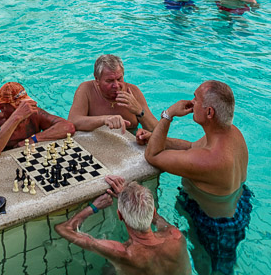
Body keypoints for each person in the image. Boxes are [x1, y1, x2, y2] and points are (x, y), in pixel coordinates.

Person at [142, 81, 252, 275]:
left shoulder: (210, 160)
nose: (191, 101)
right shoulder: (232, 133)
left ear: (209, 113)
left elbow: (153, 156)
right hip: (237, 205)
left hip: (215, 227)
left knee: (209, 270)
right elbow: (192, 148)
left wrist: (169, 114)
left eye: (196, 98)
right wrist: (157, 137)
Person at [55, 177, 191, 275]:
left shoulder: (123, 253)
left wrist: (93, 207)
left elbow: (63, 229)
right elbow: (155, 218)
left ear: (120, 215)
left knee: (108, 269)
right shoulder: (175, 236)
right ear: (153, 210)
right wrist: (129, 197)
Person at [0, 82, 75, 159]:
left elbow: (68, 127)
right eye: (18, 107)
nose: (25, 111)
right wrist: (17, 116)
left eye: (24, 105)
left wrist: (33, 139)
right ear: (2, 108)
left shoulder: (33, 113)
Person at [68, 54, 157, 134]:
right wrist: (104, 119)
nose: (116, 85)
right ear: (97, 79)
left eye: (119, 79)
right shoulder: (87, 90)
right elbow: (72, 122)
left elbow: (157, 130)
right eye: (109, 81)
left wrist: (139, 111)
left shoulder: (133, 91)